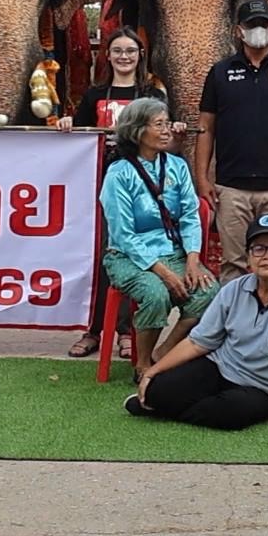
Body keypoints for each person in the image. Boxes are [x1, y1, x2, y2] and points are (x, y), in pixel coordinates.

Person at [127, 213, 268, 431]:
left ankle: (161, 409)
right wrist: (152, 371)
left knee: (228, 413)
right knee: (158, 389)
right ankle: (160, 401)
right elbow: (198, 342)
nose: (267, 256)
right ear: (248, 258)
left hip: (264, 387)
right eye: (259, 249)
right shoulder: (233, 289)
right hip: (221, 366)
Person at [59, 27, 168, 358]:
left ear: (140, 55)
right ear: (107, 55)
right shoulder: (94, 94)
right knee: (101, 254)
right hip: (102, 185)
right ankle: (94, 329)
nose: (124, 57)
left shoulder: (152, 95)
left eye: (130, 51)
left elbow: (165, 134)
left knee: (134, 254)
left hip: (142, 187)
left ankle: (126, 329)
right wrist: (67, 124)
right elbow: (79, 130)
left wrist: (173, 128)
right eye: (118, 50)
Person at [98, 98, 216, 377]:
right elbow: (123, 235)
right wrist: (164, 273)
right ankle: (142, 365)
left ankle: (163, 353)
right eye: (159, 125)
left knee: (209, 291)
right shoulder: (119, 173)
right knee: (155, 294)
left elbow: (190, 216)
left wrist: (192, 259)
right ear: (138, 131)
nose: (167, 131)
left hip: (173, 250)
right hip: (127, 256)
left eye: (167, 123)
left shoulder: (177, 166)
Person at [197, 0, 268, 279]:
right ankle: (233, 310)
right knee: (233, 264)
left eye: (264, 23)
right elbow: (206, 127)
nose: (258, 29)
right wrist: (202, 178)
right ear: (238, 30)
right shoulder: (220, 72)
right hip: (231, 188)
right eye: (251, 24)